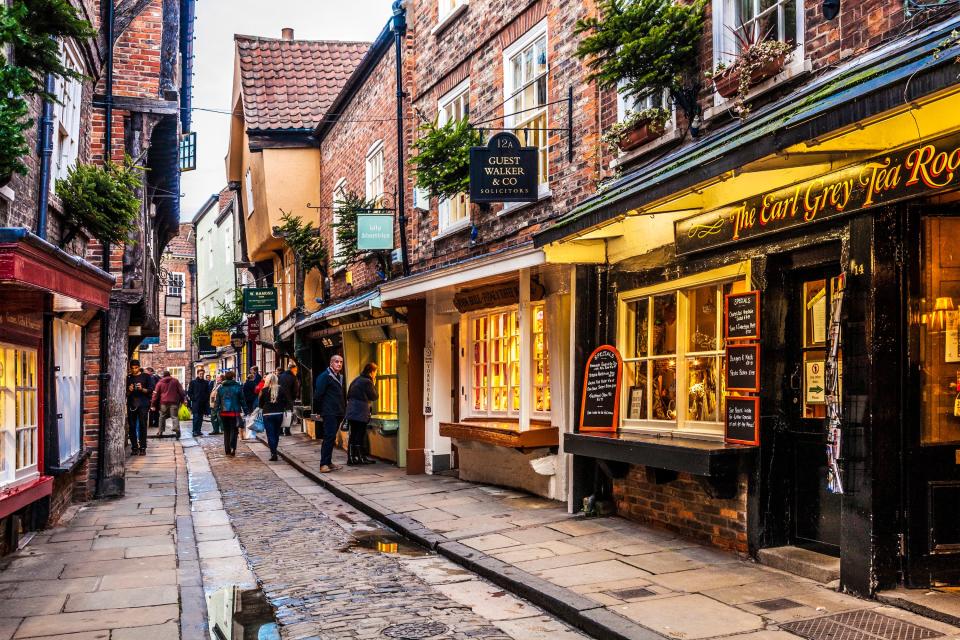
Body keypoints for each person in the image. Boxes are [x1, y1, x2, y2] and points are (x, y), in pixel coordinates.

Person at [313, 355, 345, 473]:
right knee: (328, 437)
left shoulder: (338, 376)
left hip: (337, 412)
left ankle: (329, 462)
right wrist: (319, 411)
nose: (339, 364)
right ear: (331, 363)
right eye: (337, 362)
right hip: (329, 412)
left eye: (341, 362)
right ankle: (323, 464)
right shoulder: (325, 376)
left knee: (331, 438)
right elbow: (318, 395)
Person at [345, 362, 378, 467]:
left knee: (353, 434)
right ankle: (361, 458)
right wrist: (374, 383)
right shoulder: (367, 382)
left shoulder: (356, 380)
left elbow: (348, 395)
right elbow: (374, 396)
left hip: (351, 411)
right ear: (371, 372)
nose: (375, 374)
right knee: (360, 434)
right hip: (360, 411)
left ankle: (351, 458)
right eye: (375, 372)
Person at [213, 370, 246, 456]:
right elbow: (242, 400)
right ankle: (232, 448)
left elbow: (217, 402)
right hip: (234, 412)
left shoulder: (221, 388)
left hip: (223, 413)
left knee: (226, 431)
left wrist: (215, 411)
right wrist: (246, 411)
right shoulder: (238, 387)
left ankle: (227, 449)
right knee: (234, 431)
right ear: (233, 377)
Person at [126, 359, 155, 456]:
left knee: (142, 426)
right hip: (131, 405)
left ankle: (143, 447)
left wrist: (142, 389)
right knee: (132, 426)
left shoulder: (146, 377)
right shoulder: (128, 378)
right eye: (132, 368)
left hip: (143, 404)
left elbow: (151, 390)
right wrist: (129, 390)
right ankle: (134, 447)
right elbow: (125, 394)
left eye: (136, 368)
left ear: (139, 367)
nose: (134, 370)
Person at [259, 373, 285, 461]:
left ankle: (273, 452)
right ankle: (274, 450)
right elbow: (285, 401)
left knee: (270, 434)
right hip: (278, 413)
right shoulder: (281, 389)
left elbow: (260, 404)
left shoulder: (264, 390)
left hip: (267, 414)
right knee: (276, 433)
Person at [152, 371, 185, 438]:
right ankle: (176, 429)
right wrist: (183, 400)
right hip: (174, 402)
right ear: (169, 375)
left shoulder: (160, 382)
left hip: (163, 402)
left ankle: (160, 432)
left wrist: (153, 404)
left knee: (162, 416)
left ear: (163, 376)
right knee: (174, 416)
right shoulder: (175, 381)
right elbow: (181, 391)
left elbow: (155, 394)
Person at [187, 368, 211, 437]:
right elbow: (189, 392)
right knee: (196, 417)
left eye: (202, 374)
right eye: (200, 374)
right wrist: (194, 399)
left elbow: (207, 392)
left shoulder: (206, 383)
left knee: (201, 418)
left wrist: (205, 398)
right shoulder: (193, 382)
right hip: (196, 403)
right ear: (197, 374)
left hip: (203, 403)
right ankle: (194, 431)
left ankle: (199, 430)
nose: (201, 375)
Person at [278, 364, 298, 436]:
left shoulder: (280, 376)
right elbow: (295, 389)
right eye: (295, 370)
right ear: (292, 369)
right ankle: (287, 430)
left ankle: (280, 431)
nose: (296, 371)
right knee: (289, 414)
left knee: (280, 414)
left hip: (280, 399)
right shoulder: (293, 377)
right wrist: (293, 398)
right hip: (289, 399)